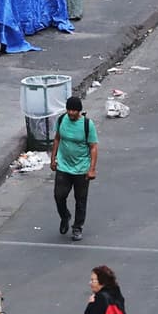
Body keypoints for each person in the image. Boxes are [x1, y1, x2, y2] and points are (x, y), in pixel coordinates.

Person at [50, 96, 98, 242]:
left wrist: (92, 169)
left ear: (79, 111)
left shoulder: (87, 125)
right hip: (63, 166)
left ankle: (77, 227)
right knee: (59, 196)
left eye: (74, 110)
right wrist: (53, 159)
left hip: (81, 168)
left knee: (80, 200)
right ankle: (65, 216)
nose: (71, 113)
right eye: (69, 110)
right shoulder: (61, 120)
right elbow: (57, 138)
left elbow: (93, 147)